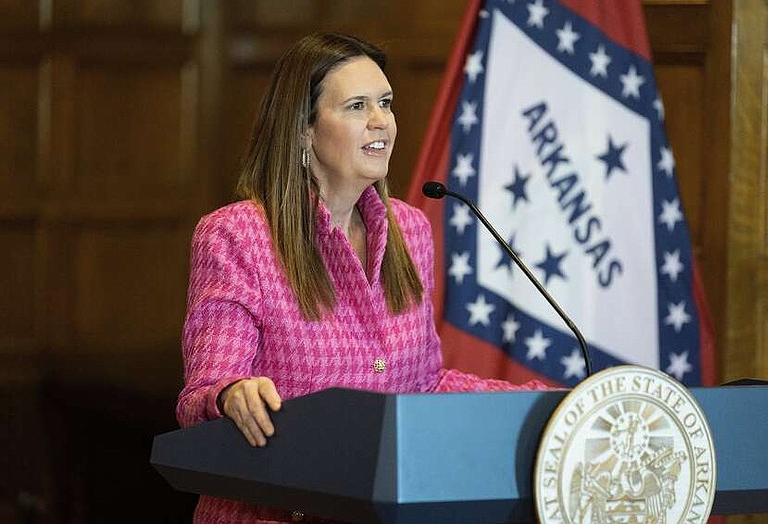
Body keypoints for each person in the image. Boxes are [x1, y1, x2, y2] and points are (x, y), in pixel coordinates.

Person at [176, 32, 552, 524]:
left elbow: (423, 385)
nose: (382, 122)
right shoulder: (237, 236)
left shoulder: (410, 231)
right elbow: (203, 391)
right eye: (357, 106)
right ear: (304, 130)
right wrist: (231, 394)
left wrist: (541, 406)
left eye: (386, 103)